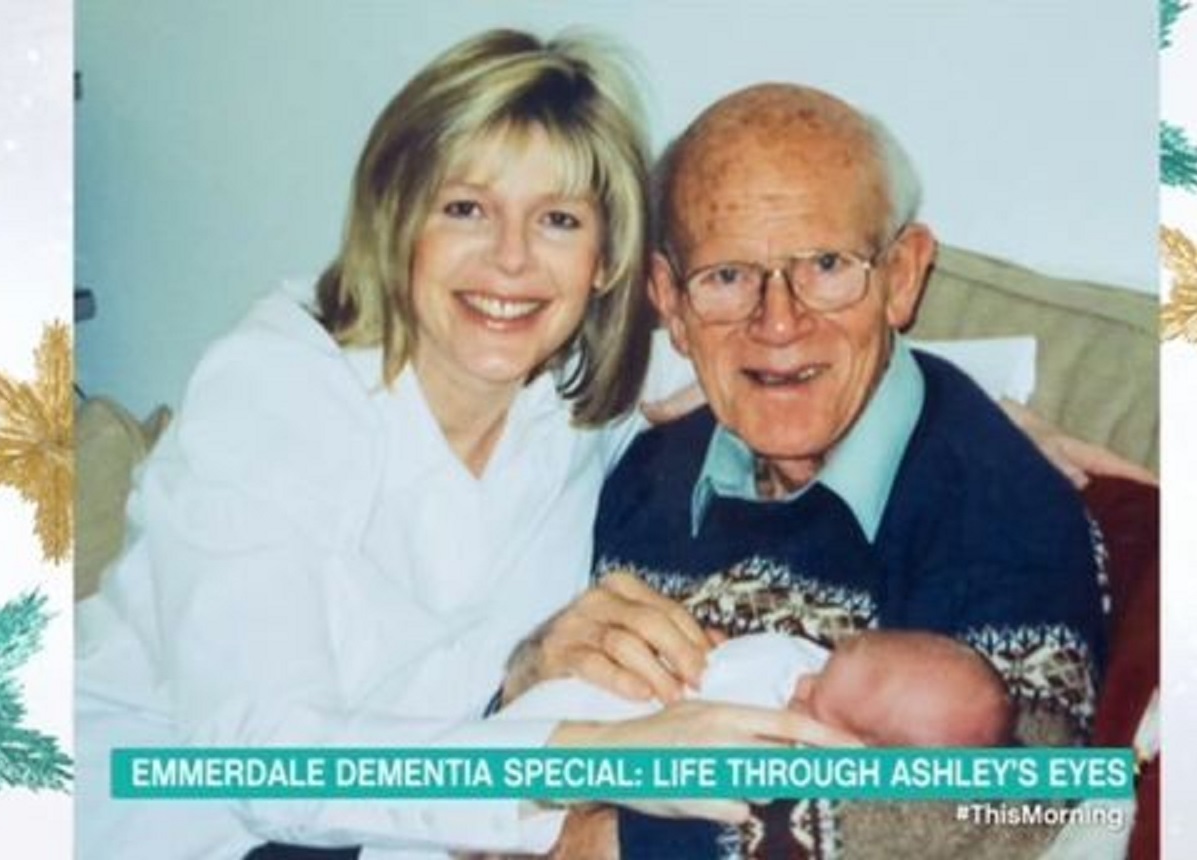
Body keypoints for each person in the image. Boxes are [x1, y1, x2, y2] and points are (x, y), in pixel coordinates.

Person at [73, 32, 856, 860]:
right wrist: (600, 755)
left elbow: (805, 345)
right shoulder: (276, 389)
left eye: (557, 220)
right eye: (465, 209)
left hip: (406, 830)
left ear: (604, 261)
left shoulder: (581, 405)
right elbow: (264, 762)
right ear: (397, 222)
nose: (511, 259)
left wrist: (988, 417)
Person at [505, 83, 1109, 858]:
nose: (778, 322)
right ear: (670, 303)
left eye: (825, 265)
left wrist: (623, 843)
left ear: (901, 276)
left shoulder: (1001, 508)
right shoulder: (647, 465)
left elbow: (1013, 814)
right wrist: (527, 675)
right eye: (726, 277)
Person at [501, 624, 1015, 749]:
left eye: (816, 703)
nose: (803, 683)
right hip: (539, 705)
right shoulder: (816, 667)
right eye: (825, 665)